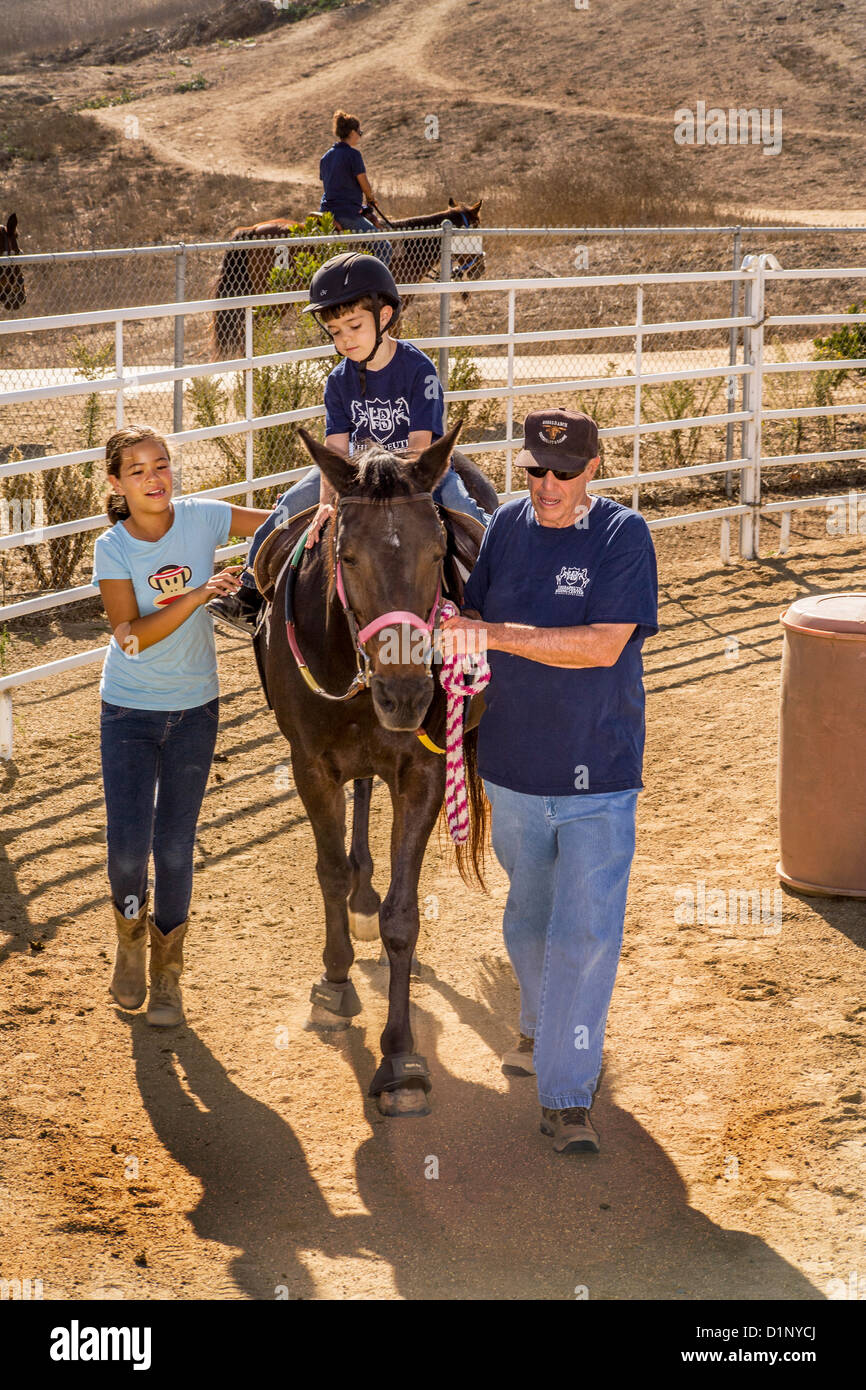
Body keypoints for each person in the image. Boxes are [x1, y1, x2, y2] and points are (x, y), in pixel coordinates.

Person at [442, 409, 659, 1155]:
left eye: (564, 472)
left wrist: (494, 635)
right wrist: (457, 622)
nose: (548, 484)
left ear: (593, 468)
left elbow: (602, 649)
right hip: (512, 770)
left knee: (586, 933)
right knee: (528, 918)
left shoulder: (622, 538)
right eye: (536, 469)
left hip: (599, 773)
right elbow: (474, 608)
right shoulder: (504, 527)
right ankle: (536, 1024)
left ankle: (567, 1096)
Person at [207, 252, 490, 635]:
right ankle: (247, 591)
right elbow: (336, 449)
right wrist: (326, 502)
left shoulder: (419, 370)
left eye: (354, 326)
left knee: (463, 508)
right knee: (290, 503)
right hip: (356, 472)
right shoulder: (338, 381)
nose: (345, 339)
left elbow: (422, 446)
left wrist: (395, 485)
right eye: (336, 331)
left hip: (415, 472)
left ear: (385, 316)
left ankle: (498, 579)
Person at [93, 425, 272, 1027]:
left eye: (161, 465)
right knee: (126, 852)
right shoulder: (113, 548)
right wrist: (198, 596)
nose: (153, 478)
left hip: (196, 709)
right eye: (137, 470)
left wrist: (336, 504)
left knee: (173, 848)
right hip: (128, 711)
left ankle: (167, 978)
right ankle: (129, 941)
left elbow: (277, 525)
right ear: (116, 483)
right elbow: (131, 637)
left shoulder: (203, 518)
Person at [319, 109, 391, 265]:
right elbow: (363, 183)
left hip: (326, 211)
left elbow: (333, 185)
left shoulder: (325, 157)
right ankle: (374, 283)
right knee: (385, 247)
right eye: (360, 132)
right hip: (346, 213)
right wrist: (371, 198)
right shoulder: (353, 155)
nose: (360, 135)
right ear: (352, 132)